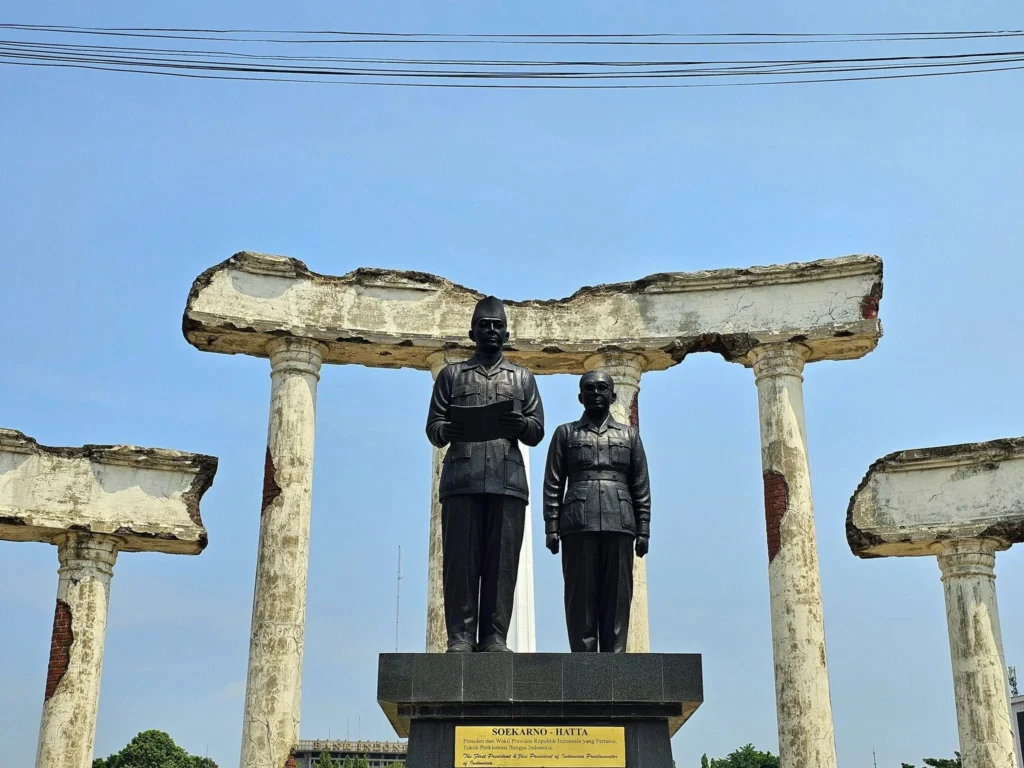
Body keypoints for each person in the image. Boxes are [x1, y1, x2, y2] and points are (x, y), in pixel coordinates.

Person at [425, 296, 544, 652]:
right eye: (484, 325)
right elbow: (433, 426)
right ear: (471, 331)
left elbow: (537, 431)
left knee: (501, 564)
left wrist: (521, 423)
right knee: (461, 563)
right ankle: (460, 636)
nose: (491, 330)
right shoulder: (451, 375)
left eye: (497, 325)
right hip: (462, 480)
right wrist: (447, 432)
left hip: (507, 483)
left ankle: (495, 636)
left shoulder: (523, 378)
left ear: (507, 333)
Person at [542, 370, 651, 652]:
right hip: (578, 523)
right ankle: (583, 660)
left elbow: (640, 485)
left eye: (602, 388)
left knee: (618, 595)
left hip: (620, 521)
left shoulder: (630, 436)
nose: (596, 393)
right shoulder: (565, 434)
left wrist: (644, 529)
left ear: (613, 395)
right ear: (580, 397)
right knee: (581, 595)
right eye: (589, 389)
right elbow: (553, 483)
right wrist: (551, 527)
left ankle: (615, 657)